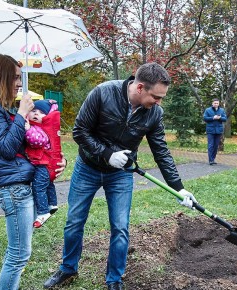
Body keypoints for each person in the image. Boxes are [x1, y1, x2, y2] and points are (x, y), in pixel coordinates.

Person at [43, 62, 198, 290]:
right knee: (75, 221)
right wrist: (107, 154)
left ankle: (114, 280)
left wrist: (178, 188)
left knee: (120, 227)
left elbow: (161, 151)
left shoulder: (154, 113)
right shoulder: (103, 92)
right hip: (88, 168)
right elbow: (79, 131)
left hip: (121, 175)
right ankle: (68, 269)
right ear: (140, 88)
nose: (159, 103)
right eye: (156, 97)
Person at [0, 54, 66, 290]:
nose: (18, 83)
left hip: (22, 186)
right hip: (14, 191)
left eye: (18, 77)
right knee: (18, 255)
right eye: (14, 77)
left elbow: (24, 146)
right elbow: (6, 147)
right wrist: (22, 114)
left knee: (20, 254)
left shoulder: (1, 109)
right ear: (0, 77)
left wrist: (55, 161)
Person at [24, 99, 62, 228]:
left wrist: (28, 130)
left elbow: (36, 141)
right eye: (33, 111)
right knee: (48, 185)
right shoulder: (39, 127)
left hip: (43, 165)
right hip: (45, 165)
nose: (36, 114)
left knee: (38, 187)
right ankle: (52, 203)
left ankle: (43, 212)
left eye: (41, 113)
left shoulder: (41, 129)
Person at [203, 98, 227, 165]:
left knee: (216, 146)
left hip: (218, 131)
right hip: (210, 130)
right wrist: (213, 118)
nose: (216, 104)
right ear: (212, 103)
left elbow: (225, 119)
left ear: (219, 104)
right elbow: (205, 118)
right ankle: (210, 160)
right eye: (215, 103)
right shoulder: (208, 110)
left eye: (217, 103)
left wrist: (220, 118)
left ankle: (213, 159)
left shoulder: (222, 110)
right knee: (210, 145)